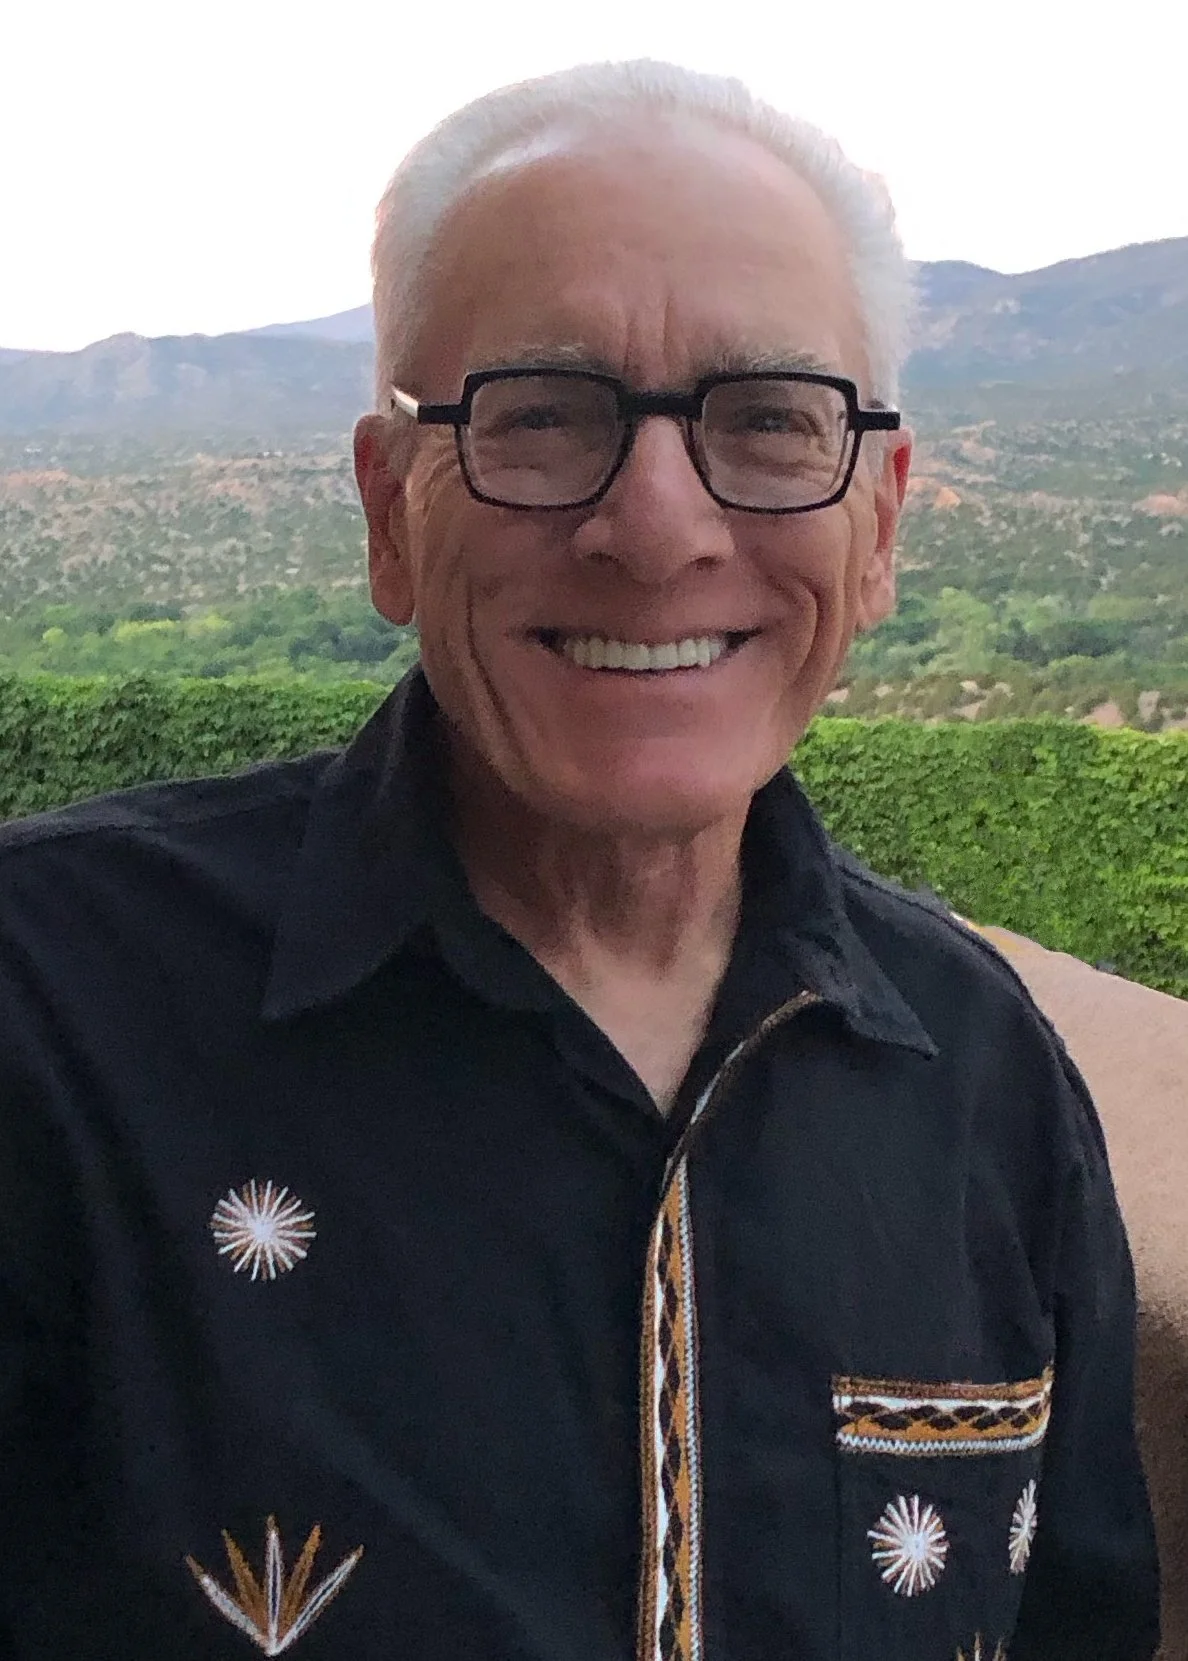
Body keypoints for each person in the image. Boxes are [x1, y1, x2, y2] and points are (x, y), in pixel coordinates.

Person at [0, 59, 1159, 1661]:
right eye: (541, 417)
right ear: (390, 515)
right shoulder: (47, 1020)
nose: (661, 523)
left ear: (882, 525)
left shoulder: (985, 1080)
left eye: (770, 421)